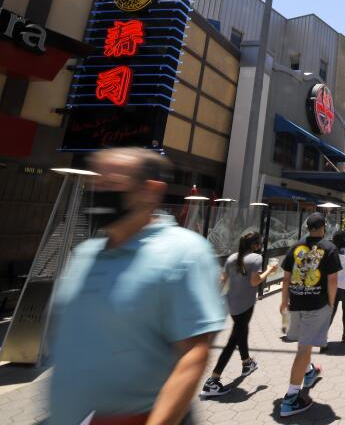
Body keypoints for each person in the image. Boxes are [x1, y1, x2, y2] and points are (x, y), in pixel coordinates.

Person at [49, 148, 226, 425]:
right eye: (95, 182)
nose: (99, 190)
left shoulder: (184, 253)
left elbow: (194, 354)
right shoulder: (85, 253)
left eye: (113, 184)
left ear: (150, 190)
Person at [279, 213, 342, 417]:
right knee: (304, 349)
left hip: (296, 303)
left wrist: (283, 302)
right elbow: (332, 280)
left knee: (303, 345)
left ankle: (308, 372)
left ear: (307, 227)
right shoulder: (329, 248)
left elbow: (286, 278)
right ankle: (291, 398)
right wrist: (332, 302)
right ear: (323, 227)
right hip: (317, 304)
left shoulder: (295, 246)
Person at [201, 232, 278, 397]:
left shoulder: (232, 258)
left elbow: (222, 280)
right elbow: (255, 282)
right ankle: (213, 380)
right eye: (259, 243)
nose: (260, 245)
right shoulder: (256, 258)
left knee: (242, 331)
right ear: (255, 245)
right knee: (233, 340)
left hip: (232, 304)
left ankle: (246, 362)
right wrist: (270, 270)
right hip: (246, 305)